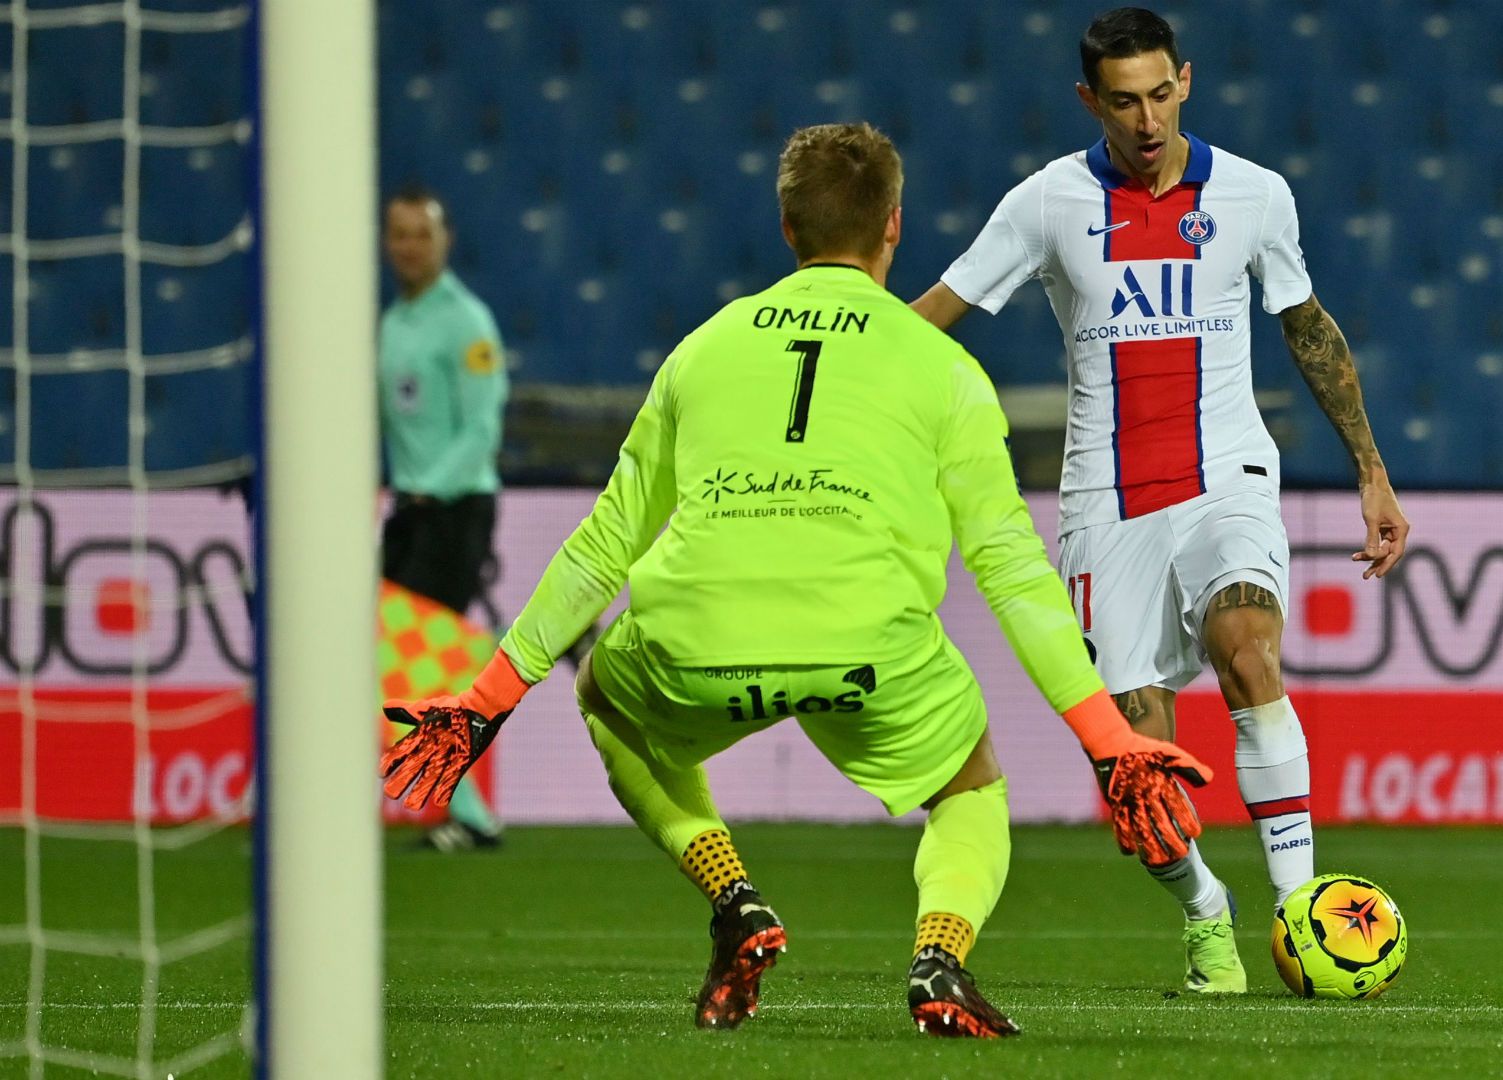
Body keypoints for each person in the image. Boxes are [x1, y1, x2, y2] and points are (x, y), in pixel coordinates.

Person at [377, 123, 1211, 1038]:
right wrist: (1105, 738)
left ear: (786, 227)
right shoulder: (946, 368)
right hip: (868, 650)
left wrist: (488, 699)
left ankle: (734, 900)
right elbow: (1010, 568)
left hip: (696, 637)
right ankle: (939, 956)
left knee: (604, 698)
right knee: (970, 786)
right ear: (894, 225)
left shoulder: (702, 349)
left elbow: (604, 541)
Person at [909, 7, 1411, 995]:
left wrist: (1371, 467)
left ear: (1186, 80)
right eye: (1123, 101)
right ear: (1089, 99)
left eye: (1160, 94)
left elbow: (1310, 329)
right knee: (1135, 774)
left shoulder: (1255, 196)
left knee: (1250, 649)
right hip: (1105, 504)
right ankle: (1205, 909)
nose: (1146, 120)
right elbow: (936, 319)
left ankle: (1299, 913)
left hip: (1227, 475)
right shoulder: (1047, 203)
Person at [377, 186, 511, 852]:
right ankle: (467, 808)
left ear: (444, 240)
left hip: (455, 508)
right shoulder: (394, 321)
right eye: (398, 234)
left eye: (420, 234)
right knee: (399, 662)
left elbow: (481, 427)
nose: (408, 246)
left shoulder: (466, 322)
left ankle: (472, 813)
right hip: (413, 507)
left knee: (412, 661)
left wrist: (428, 488)